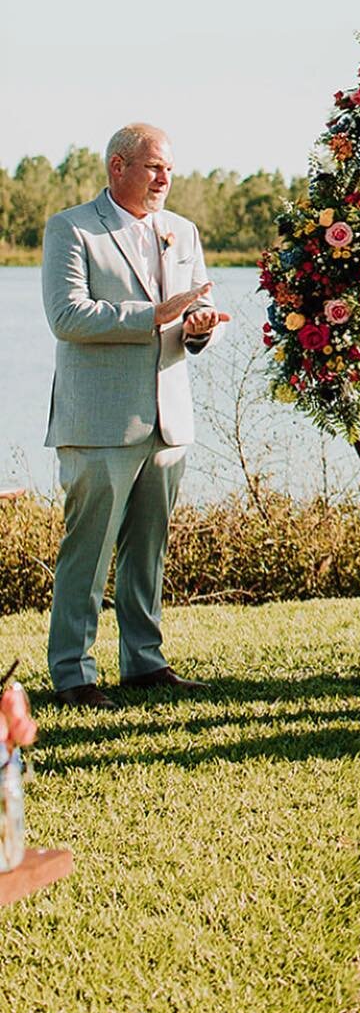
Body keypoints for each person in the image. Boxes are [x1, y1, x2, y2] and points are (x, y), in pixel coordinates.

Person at [43, 124, 228, 707]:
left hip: (168, 420)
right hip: (100, 422)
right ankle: (73, 673)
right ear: (117, 167)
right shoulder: (71, 228)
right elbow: (68, 317)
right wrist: (153, 315)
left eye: (168, 168)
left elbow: (192, 317)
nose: (164, 178)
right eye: (152, 167)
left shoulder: (183, 231)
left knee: (149, 550)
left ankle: (143, 662)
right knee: (88, 550)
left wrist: (198, 330)